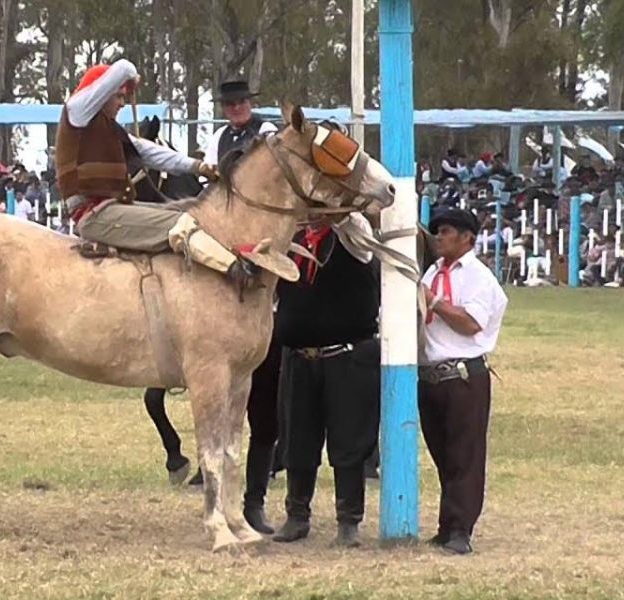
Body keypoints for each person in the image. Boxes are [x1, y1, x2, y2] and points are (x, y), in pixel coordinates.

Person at [55, 60, 251, 281]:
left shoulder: (110, 128)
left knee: (188, 213)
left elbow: (150, 152)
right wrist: (128, 78)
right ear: (103, 93)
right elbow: (125, 67)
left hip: (112, 209)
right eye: (118, 96)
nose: (122, 103)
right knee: (182, 225)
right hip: (95, 215)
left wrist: (197, 167)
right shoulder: (77, 113)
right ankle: (238, 272)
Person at [272, 215, 381, 548]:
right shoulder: (293, 243)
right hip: (299, 356)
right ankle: (297, 515)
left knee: (348, 441)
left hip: (346, 356)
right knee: (297, 439)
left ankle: (348, 521)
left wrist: (339, 207)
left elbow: (354, 225)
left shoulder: (352, 237)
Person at [418, 208, 508, 555]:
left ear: (467, 237)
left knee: (464, 455)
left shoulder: (478, 278)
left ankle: (461, 529)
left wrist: (435, 302)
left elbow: (472, 323)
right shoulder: (432, 271)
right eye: (437, 231)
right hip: (430, 375)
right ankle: (447, 523)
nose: (439, 237)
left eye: (447, 231)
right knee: (443, 454)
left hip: (463, 376)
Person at [203, 80, 277, 167]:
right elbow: (209, 170)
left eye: (242, 102)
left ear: (250, 104)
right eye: (230, 104)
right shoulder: (219, 136)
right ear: (223, 108)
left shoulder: (266, 130)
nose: (237, 108)